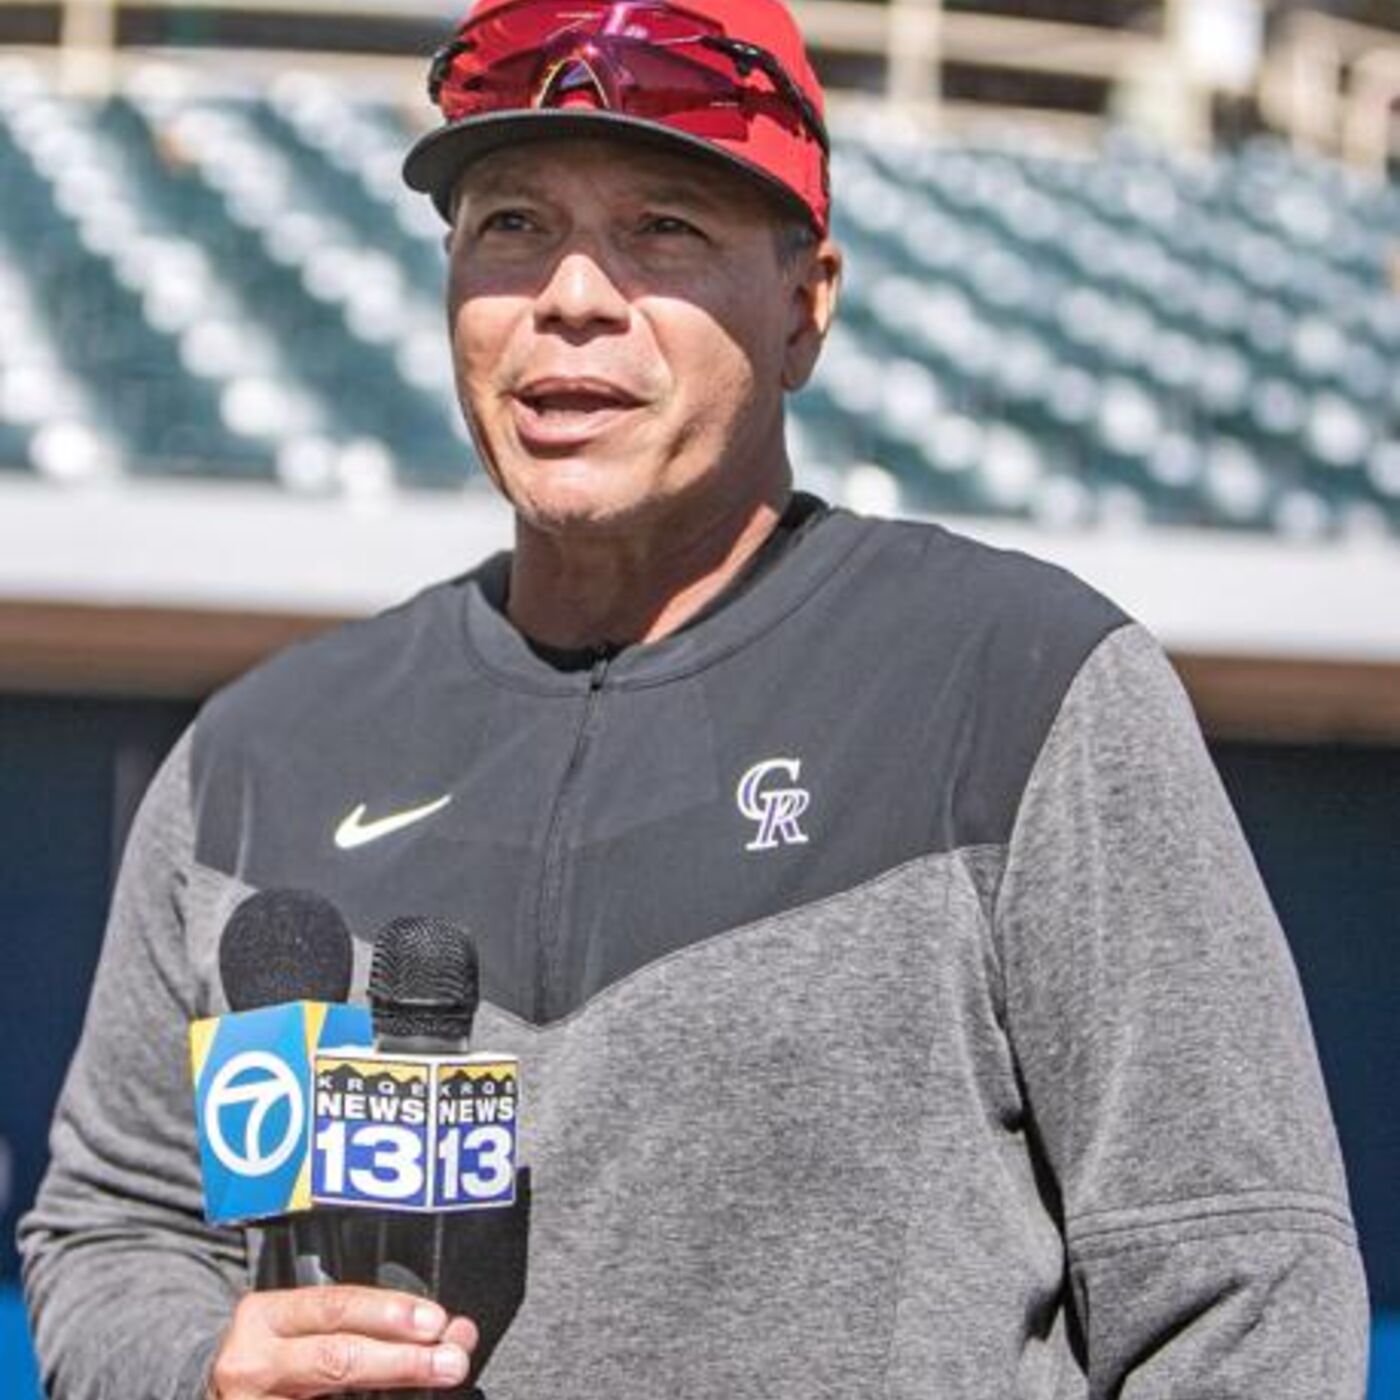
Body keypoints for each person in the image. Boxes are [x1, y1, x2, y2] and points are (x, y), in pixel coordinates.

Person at [20, 0, 1370, 1396]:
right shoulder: (257, 755)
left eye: (665, 227)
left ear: (805, 308)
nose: (573, 296)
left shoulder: (1022, 686)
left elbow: (1240, 1287)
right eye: (512, 226)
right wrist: (198, 1366)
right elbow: (114, 1224)